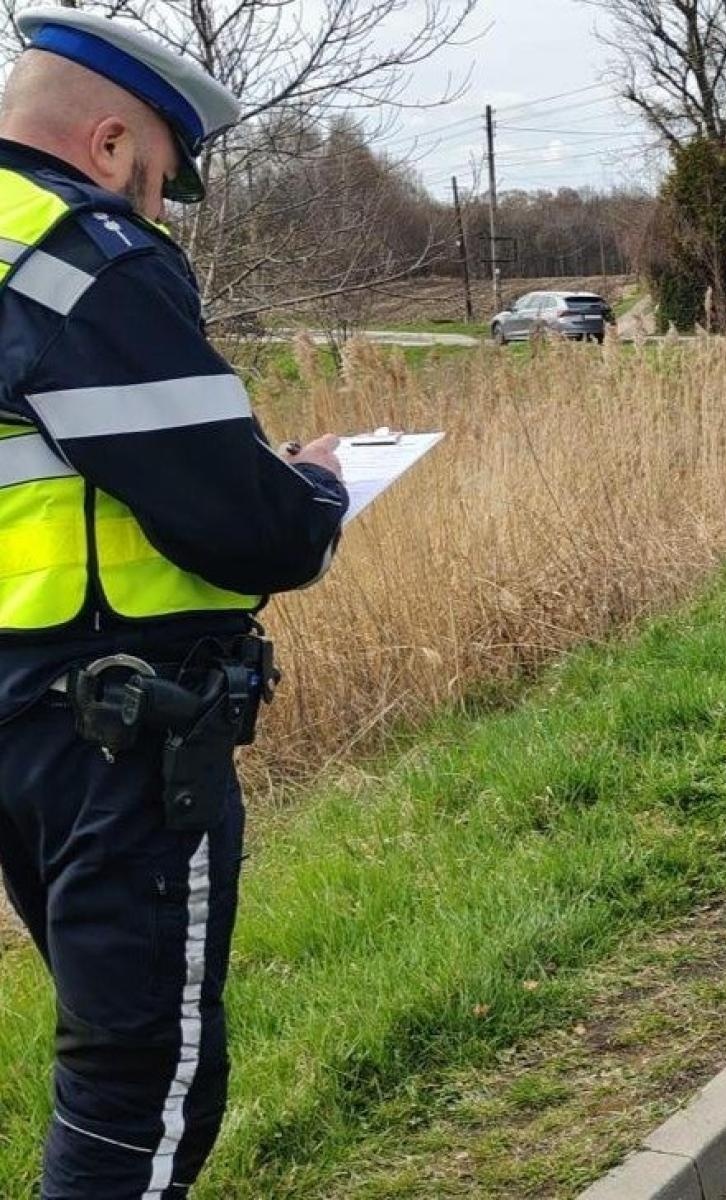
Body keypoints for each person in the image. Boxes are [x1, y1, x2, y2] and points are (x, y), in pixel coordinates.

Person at [0, 7, 348, 1196]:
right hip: (113, 737)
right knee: (137, 1080)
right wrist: (312, 491)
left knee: (110, 1047)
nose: (152, 209)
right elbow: (242, 523)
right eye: (155, 180)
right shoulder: (77, 255)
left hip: (15, 715)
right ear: (107, 146)